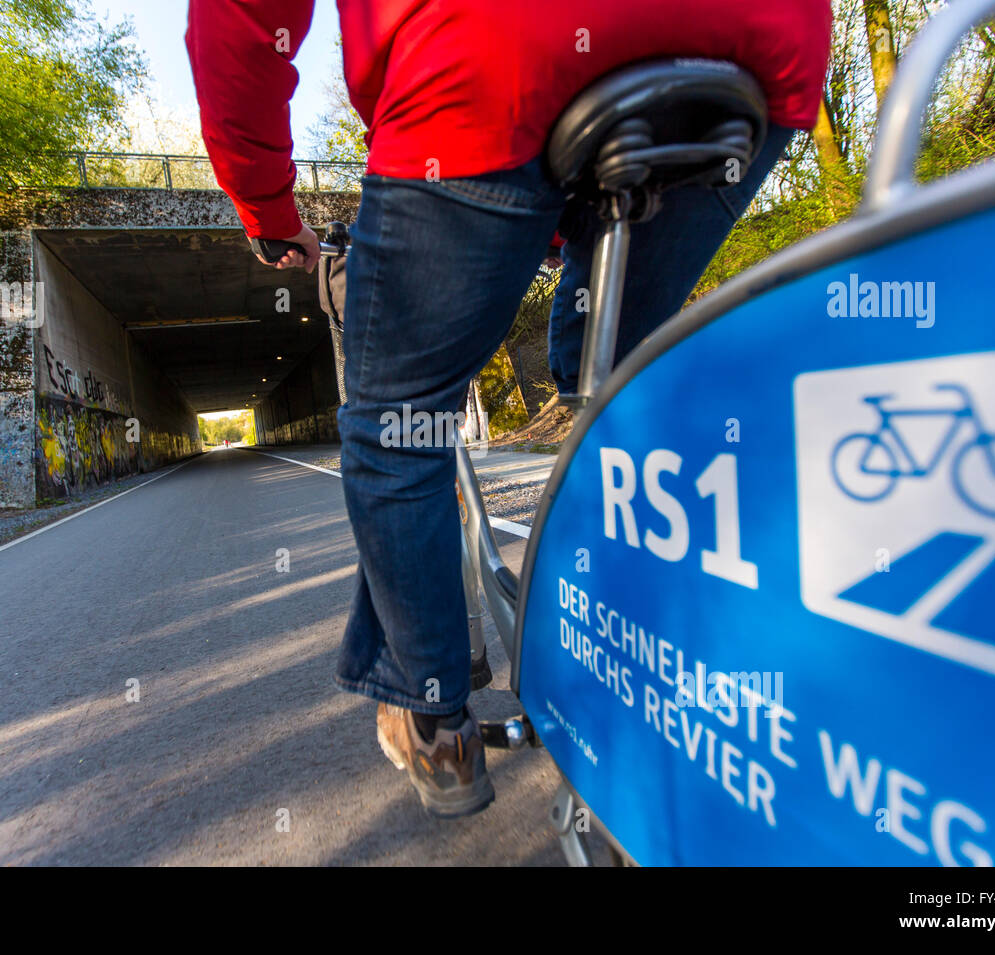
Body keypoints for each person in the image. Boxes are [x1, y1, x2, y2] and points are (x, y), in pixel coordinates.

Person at [187, 1, 832, 818]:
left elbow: (241, 18)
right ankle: (731, 630)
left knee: (399, 428)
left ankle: (434, 721)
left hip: (486, 58)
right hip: (756, 50)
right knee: (617, 375)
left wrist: (268, 208)